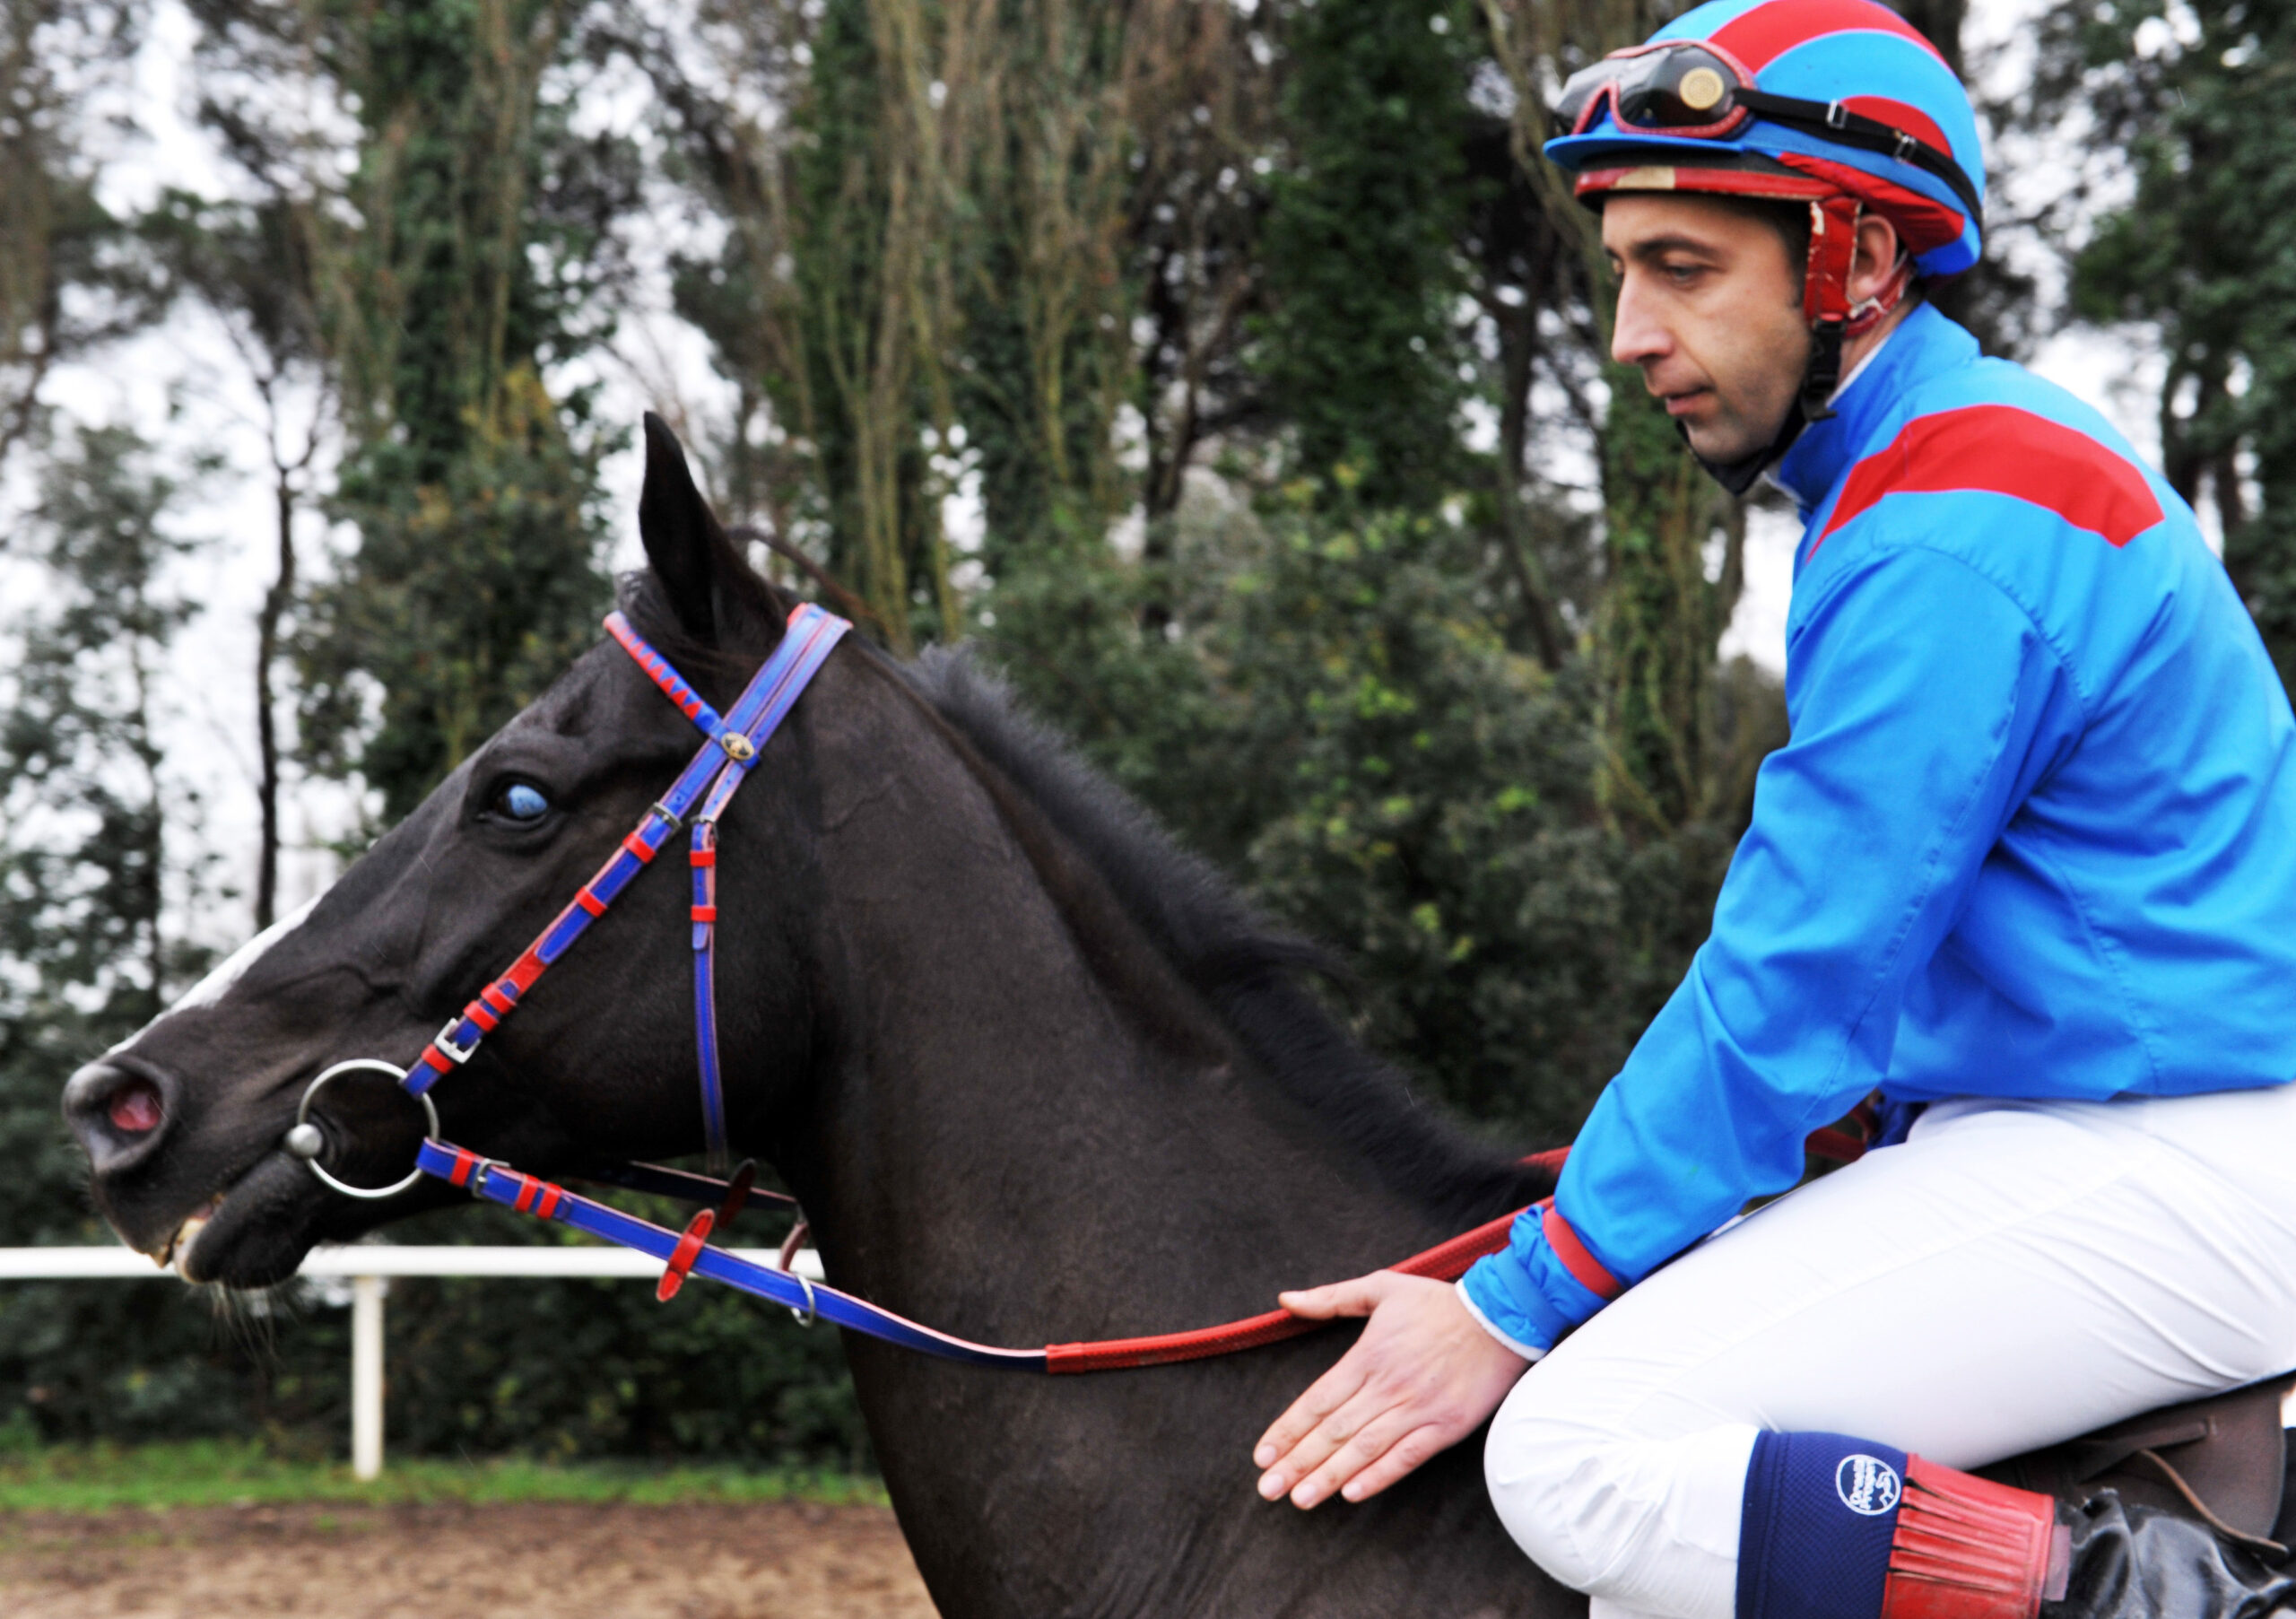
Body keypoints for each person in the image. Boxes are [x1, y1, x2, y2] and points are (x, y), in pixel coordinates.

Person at [1247, 3, 2296, 1615]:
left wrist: (1516, 1306)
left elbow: (1798, 980)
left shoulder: (1954, 519)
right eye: (1622, 270)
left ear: (1856, 263)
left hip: (2171, 1155)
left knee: (1577, 1447)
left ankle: (2185, 1602)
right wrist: (1516, 1262)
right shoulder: (1924, 480)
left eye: (1683, 268)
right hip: (2090, 1137)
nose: (1628, 335)